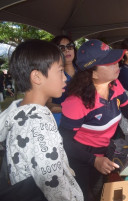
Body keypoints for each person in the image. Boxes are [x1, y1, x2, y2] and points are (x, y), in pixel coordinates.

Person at [58, 39, 128, 201]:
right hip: (80, 160)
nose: (116, 65)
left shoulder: (115, 84)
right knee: (86, 196)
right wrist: (93, 160)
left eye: (115, 61)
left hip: (104, 153)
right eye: (109, 63)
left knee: (101, 193)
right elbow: (64, 142)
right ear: (93, 73)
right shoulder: (76, 102)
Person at [0, 39, 83, 200]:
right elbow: (55, 186)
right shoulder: (38, 123)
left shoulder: (20, 112)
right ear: (37, 77)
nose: (64, 78)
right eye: (60, 71)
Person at [47, 35, 77, 126]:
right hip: (61, 123)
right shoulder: (51, 75)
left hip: (84, 122)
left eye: (69, 46)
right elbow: (48, 104)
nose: (67, 50)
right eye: (61, 48)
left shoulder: (83, 71)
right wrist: (71, 108)